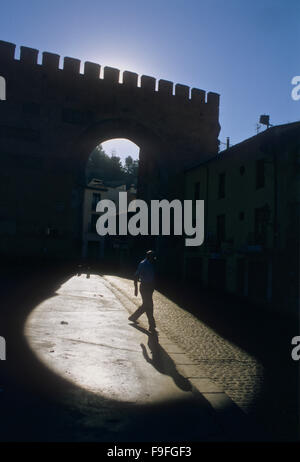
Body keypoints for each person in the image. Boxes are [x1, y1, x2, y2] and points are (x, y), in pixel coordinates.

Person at [128, 250, 156, 331]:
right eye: (152, 256)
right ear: (149, 257)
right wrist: (136, 289)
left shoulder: (151, 264)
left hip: (150, 287)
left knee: (146, 305)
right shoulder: (143, 264)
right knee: (149, 305)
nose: (154, 258)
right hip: (144, 286)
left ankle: (133, 317)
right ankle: (152, 324)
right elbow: (136, 275)